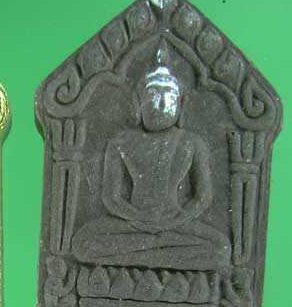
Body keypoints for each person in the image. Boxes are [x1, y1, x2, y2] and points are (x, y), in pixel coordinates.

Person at [71, 47, 231, 270]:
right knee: (83, 241)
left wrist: (172, 221)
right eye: (154, 95)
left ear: (180, 104)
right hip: (133, 224)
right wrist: (139, 219)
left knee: (220, 248)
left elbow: (202, 198)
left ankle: (141, 258)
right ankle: (166, 259)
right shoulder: (121, 142)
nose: (162, 104)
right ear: (139, 101)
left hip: (175, 223)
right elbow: (112, 198)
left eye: (170, 97)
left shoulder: (192, 143)